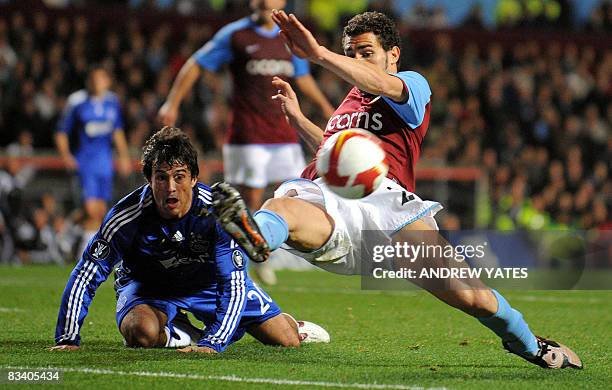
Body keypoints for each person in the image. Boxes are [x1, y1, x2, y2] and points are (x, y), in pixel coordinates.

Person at [210, 10, 582, 368]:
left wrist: (320, 55)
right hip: (329, 200)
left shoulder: (413, 85)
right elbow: (332, 154)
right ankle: (253, 237)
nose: (358, 60)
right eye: (352, 53)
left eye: (366, 52)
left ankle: (533, 347)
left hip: (390, 210)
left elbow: (383, 85)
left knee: (474, 297)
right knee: (283, 204)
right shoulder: (348, 103)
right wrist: (297, 119)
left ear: (393, 54)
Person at [50, 127, 329, 353]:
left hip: (209, 282)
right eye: (161, 178)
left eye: (179, 177)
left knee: (286, 339)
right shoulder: (126, 216)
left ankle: (294, 325)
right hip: (150, 287)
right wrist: (68, 337)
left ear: (194, 178)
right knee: (141, 333)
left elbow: (232, 283)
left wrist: (213, 343)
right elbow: (88, 272)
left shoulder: (218, 213)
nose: (171, 187)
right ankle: (180, 332)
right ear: (148, 179)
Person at [158, 0, 335, 285]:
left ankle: (276, 248)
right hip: (247, 136)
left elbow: (302, 79)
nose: (265, 1)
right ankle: (248, 259)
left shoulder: (287, 37)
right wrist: (172, 101)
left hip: (285, 133)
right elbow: (196, 64)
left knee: (296, 193)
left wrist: (327, 110)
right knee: (249, 199)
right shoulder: (235, 35)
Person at [55, 65, 132, 257]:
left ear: (107, 81)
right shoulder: (77, 102)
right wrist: (66, 156)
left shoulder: (112, 102)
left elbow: (117, 132)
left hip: (104, 164)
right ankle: (86, 254)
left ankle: (68, 231)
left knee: (99, 211)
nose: (96, 83)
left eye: (100, 79)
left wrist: (123, 157)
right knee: (90, 210)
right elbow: (61, 132)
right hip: (85, 163)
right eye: (93, 79)